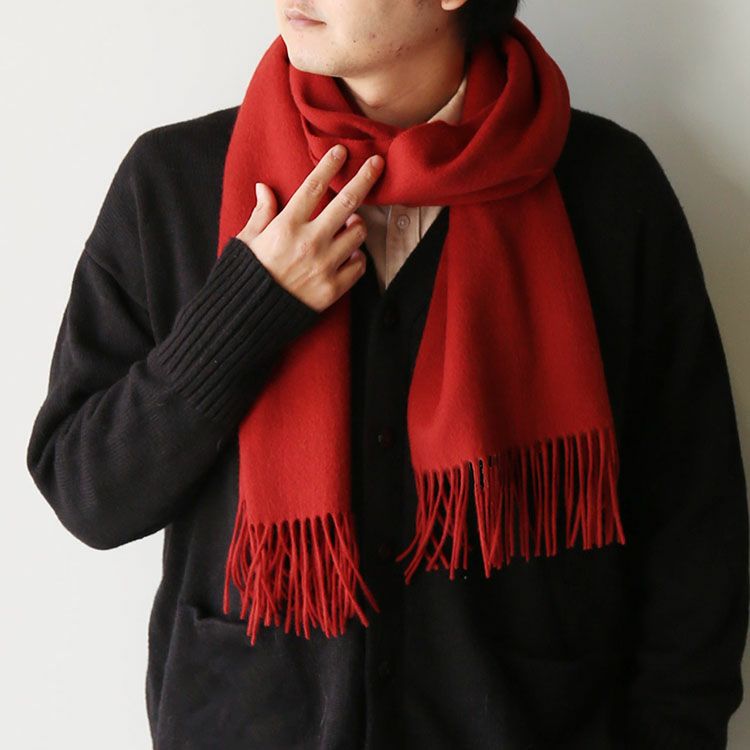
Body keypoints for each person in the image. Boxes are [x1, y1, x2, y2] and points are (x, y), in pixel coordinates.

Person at [26, 1, 748, 748]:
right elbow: (88, 493)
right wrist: (244, 311)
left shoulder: (604, 190)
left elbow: (695, 530)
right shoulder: (175, 182)